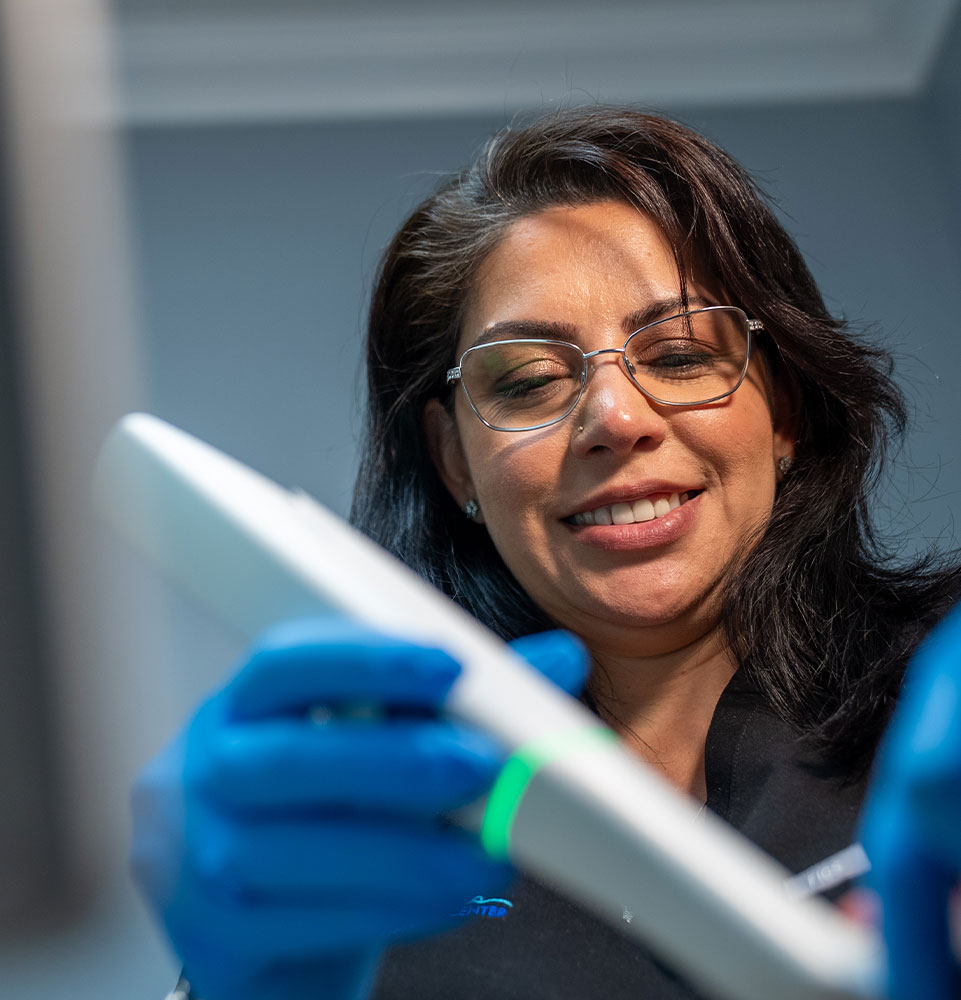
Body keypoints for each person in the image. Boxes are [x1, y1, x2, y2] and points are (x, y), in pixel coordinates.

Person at [131, 107, 961, 1000]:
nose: (615, 419)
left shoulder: (937, 703)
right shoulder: (364, 832)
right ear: (457, 464)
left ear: (784, 412)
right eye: (528, 380)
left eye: (678, 354)